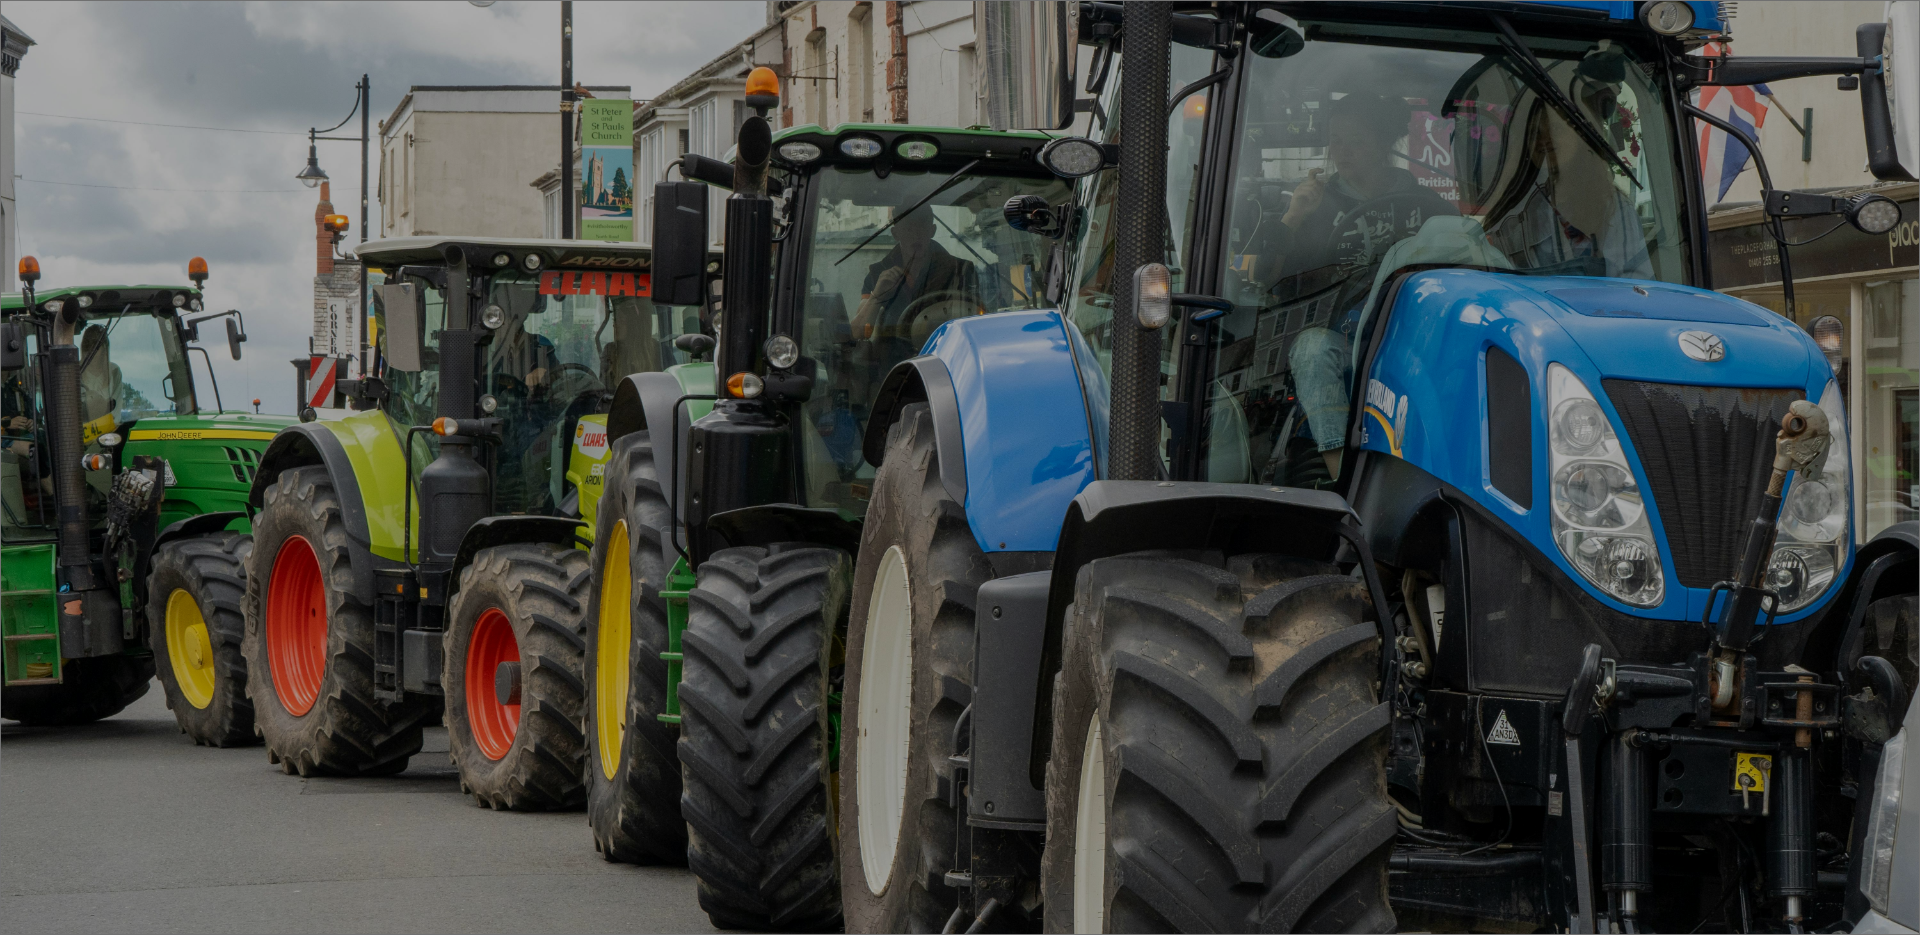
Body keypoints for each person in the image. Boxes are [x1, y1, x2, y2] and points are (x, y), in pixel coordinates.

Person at [1269, 93, 1458, 478]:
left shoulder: (1427, 205)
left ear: (1384, 142)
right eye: (1336, 140)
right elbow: (1270, 281)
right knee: (1310, 349)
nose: (1342, 151)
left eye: (1356, 141)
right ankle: (1342, 476)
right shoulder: (1314, 204)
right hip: (1343, 338)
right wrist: (1293, 217)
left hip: (1413, 335)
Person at [850, 208, 981, 344]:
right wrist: (877, 296)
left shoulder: (961, 270)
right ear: (896, 234)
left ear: (932, 231)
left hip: (944, 353)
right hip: (892, 361)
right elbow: (858, 333)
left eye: (922, 227)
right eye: (908, 229)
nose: (916, 235)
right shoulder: (877, 274)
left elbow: (975, 325)